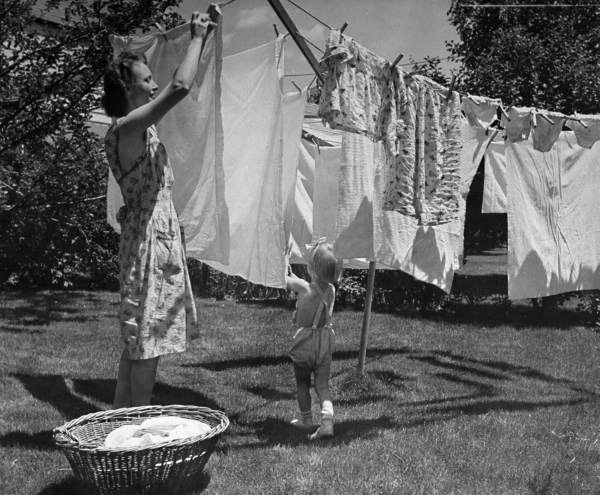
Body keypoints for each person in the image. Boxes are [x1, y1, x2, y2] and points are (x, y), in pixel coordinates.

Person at [101, 11, 216, 408]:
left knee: (139, 340)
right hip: (148, 243)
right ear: (127, 88)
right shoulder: (126, 129)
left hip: (154, 237)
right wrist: (197, 37)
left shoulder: (140, 129)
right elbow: (180, 86)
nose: (153, 85)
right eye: (146, 79)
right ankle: (136, 422)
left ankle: (122, 419)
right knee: (146, 340)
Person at [285, 239, 342, 440]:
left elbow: (285, 281)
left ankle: (307, 420)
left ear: (312, 268)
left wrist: (284, 261)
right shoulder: (331, 290)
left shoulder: (305, 288)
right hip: (324, 342)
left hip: (306, 342)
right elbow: (304, 285)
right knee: (322, 385)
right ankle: (327, 422)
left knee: (302, 383)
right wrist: (294, 276)